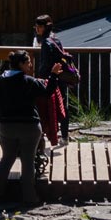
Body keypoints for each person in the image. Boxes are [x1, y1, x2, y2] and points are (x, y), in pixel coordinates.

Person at [0, 49, 62, 206]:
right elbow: (47, 92)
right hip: (29, 126)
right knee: (28, 161)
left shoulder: (1, 80)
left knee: (7, 158)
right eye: (28, 62)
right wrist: (53, 74)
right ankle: (29, 197)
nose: (30, 65)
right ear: (21, 64)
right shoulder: (28, 80)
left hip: (6, 126)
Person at [33, 14, 70, 144]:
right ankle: (65, 137)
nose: (36, 29)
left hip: (50, 78)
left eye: (37, 27)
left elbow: (45, 64)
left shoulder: (46, 43)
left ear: (43, 28)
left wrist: (39, 80)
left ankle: (45, 137)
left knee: (46, 107)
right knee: (62, 106)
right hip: (61, 77)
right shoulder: (56, 39)